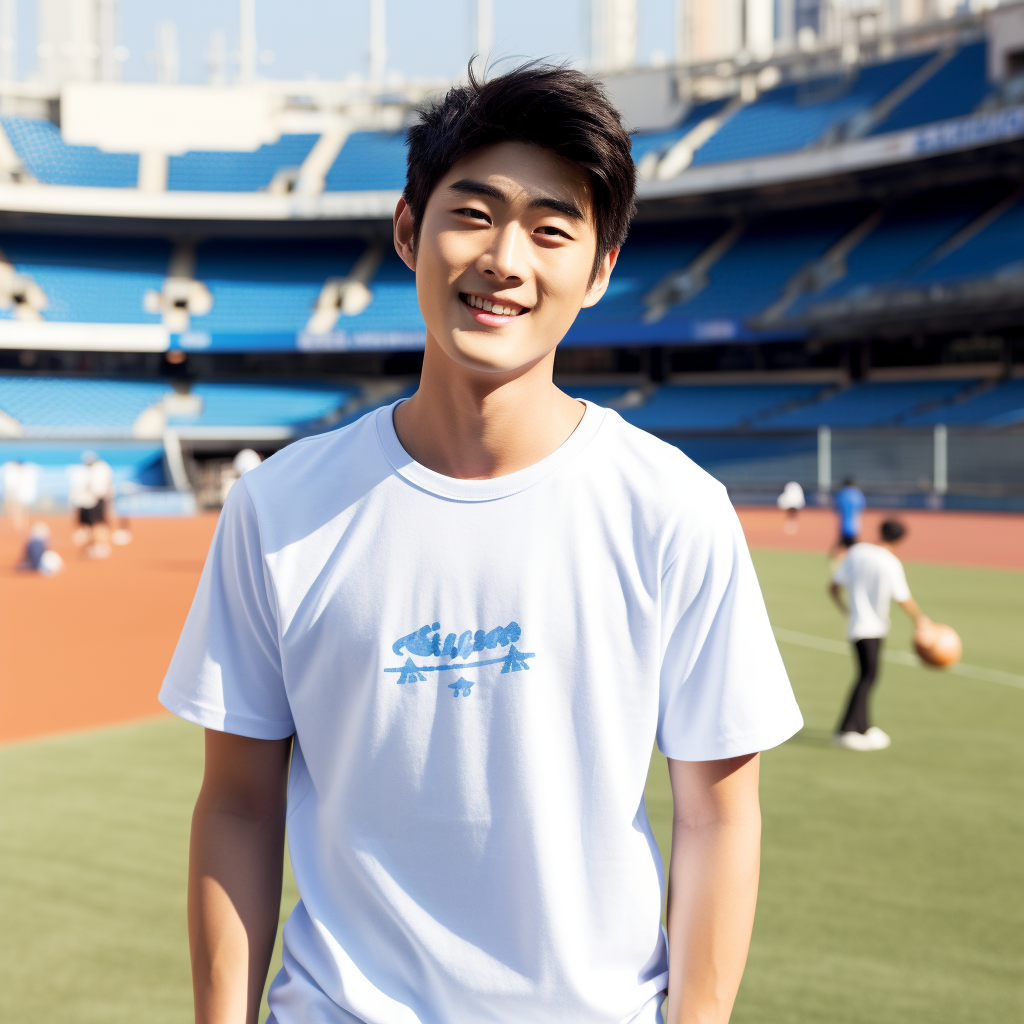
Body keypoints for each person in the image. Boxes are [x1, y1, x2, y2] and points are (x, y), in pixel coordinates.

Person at [161, 65, 803, 1024]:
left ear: (600, 270)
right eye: (474, 213)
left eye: (552, 229)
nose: (506, 259)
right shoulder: (279, 507)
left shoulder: (673, 507)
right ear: (408, 229)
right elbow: (239, 805)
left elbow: (718, 812)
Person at [829, 518, 926, 751]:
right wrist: (921, 620)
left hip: (856, 625)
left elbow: (833, 587)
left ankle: (864, 727)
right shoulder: (891, 562)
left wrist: (846, 610)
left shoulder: (857, 552)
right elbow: (902, 597)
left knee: (867, 676)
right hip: (873, 628)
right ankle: (847, 730)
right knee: (867, 678)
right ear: (900, 539)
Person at [69, 451, 115, 558]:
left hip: (96, 499)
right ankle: (92, 546)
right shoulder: (89, 469)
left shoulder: (101, 468)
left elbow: (100, 487)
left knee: (98, 524)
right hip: (87, 501)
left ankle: (102, 546)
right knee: (88, 524)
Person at [829, 476, 866, 556]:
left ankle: (833, 559)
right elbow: (861, 506)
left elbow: (836, 507)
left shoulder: (841, 493)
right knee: (855, 548)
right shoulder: (857, 493)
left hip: (843, 525)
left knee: (842, 544)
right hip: (855, 526)